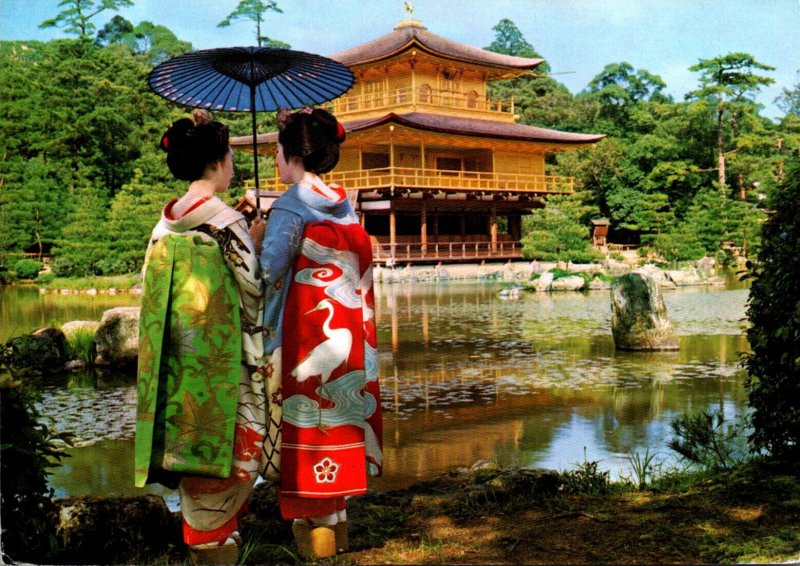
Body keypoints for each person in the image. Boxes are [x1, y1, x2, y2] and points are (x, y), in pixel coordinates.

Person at [250, 106, 383, 560]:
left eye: (278, 154)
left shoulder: (290, 206)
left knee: (305, 436)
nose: (276, 163)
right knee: (336, 425)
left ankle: (318, 546)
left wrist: (253, 238)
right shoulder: (344, 204)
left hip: (298, 339)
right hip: (346, 340)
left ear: (291, 156)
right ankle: (338, 530)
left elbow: (268, 274)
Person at [135, 110, 266, 565]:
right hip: (225, 359)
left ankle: (203, 536)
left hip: (178, 359)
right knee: (233, 445)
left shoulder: (164, 224)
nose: (232, 163)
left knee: (189, 442)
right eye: (229, 155)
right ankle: (214, 541)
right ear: (217, 163)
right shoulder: (225, 222)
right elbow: (254, 292)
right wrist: (257, 239)